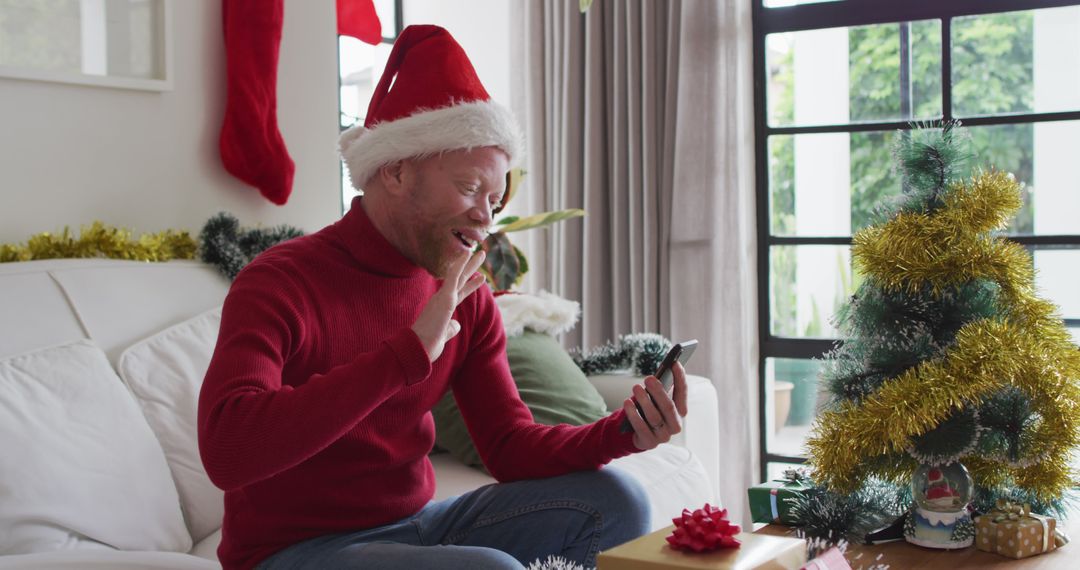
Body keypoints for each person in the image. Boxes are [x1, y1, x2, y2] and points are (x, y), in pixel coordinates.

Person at [197, 24, 689, 570]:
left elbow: (508, 445)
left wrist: (621, 432)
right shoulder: (280, 281)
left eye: (495, 200)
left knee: (617, 502)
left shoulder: (465, 296)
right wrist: (407, 353)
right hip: (288, 553)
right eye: (470, 188)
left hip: (415, 527)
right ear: (396, 170)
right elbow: (226, 451)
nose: (485, 216)